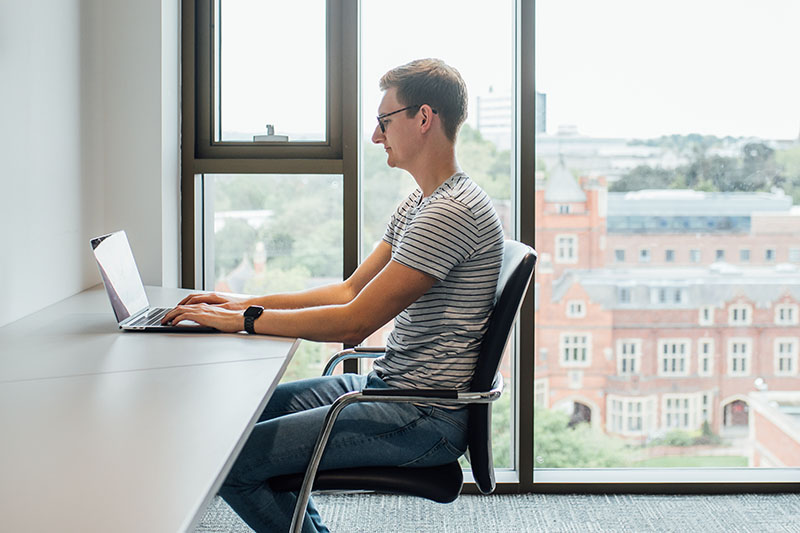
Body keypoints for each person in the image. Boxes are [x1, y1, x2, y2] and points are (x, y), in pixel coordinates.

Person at [163, 58, 504, 533]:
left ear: (423, 118)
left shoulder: (450, 213)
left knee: (233, 463)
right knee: (235, 419)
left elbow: (352, 322)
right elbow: (348, 290)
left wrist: (245, 322)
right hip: (388, 390)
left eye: (384, 121)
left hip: (422, 414)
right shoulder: (421, 202)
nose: (375, 136)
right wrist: (240, 305)